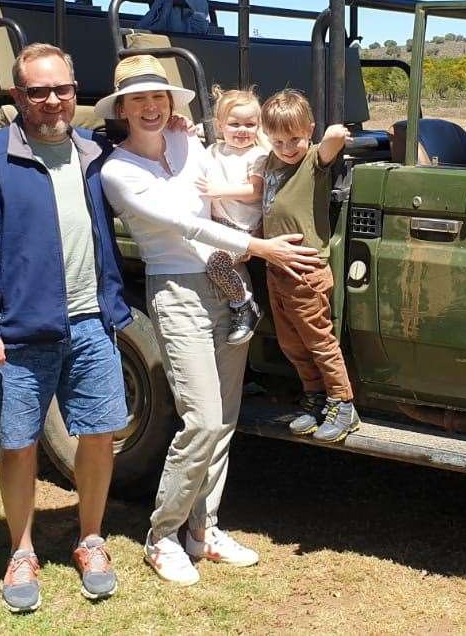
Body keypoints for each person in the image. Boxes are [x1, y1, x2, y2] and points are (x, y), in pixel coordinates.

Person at [96, 55, 321, 587]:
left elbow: (237, 160)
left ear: (171, 104)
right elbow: (182, 224)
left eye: (160, 98)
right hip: (179, 291)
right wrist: (258, 245)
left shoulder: (187, 141)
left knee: (223, 420)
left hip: (227, 284)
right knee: (198, 419)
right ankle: (163, 536)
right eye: (139, 100)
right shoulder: (118, 171)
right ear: (123, 108)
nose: (151, 108)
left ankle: (205, 528)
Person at [0, 43, 129, 610]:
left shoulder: (96, 155)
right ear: (17, 96)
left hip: (93, 321)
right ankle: (21, 550)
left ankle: (90, 539)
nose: (52, 100)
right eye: (38, 91)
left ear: (77, 93)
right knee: (19, 444)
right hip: (19, 332)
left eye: (62, 90)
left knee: (100, 434)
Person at [258, 89, 359, 443]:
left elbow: (331, 144)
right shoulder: (271, 160)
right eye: (278, 140)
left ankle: (342, 402)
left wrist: (332, 134)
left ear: (309, 131)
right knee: (291, 343)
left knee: (319, 341)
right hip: (276, 272)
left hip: (306, 273)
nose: (287, 147)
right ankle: (314, 395)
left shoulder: (313, 161)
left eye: (295, 138)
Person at [195, 86, 270, 344]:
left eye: (250, 125)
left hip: (243, 230)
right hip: (217, 224)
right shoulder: (214, 151)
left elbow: (255, 191)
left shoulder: (257, 155)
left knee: (216, 263)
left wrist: (219, 191)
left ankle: (244, 305)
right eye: (234, 123)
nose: (242, 130)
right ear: (220, 125)